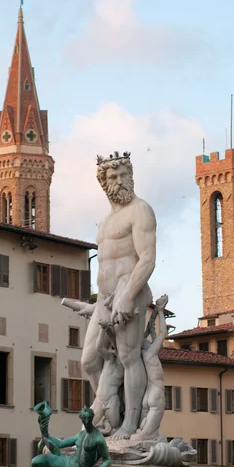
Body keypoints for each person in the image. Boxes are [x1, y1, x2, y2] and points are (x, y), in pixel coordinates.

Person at [81, 152, 156, 440]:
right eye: (113, 176)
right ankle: (109, 412)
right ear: (104, 182)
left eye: (124, 174)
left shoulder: (141, 210)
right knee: (89, 360)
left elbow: (147, 258)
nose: (120, 180)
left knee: (128, 357)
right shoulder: (103, 222)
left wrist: (127, 295)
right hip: (104, 298)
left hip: (130, 292)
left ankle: (130, 423)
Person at [132, 294, 168, 440]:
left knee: (138, 434)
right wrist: (160, 311)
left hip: (146, 396)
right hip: (157, 394)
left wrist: (153, 317)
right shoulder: (151, 353)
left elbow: (150, 331)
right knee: (146, 436)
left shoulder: (142, 353)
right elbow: (163, 333)